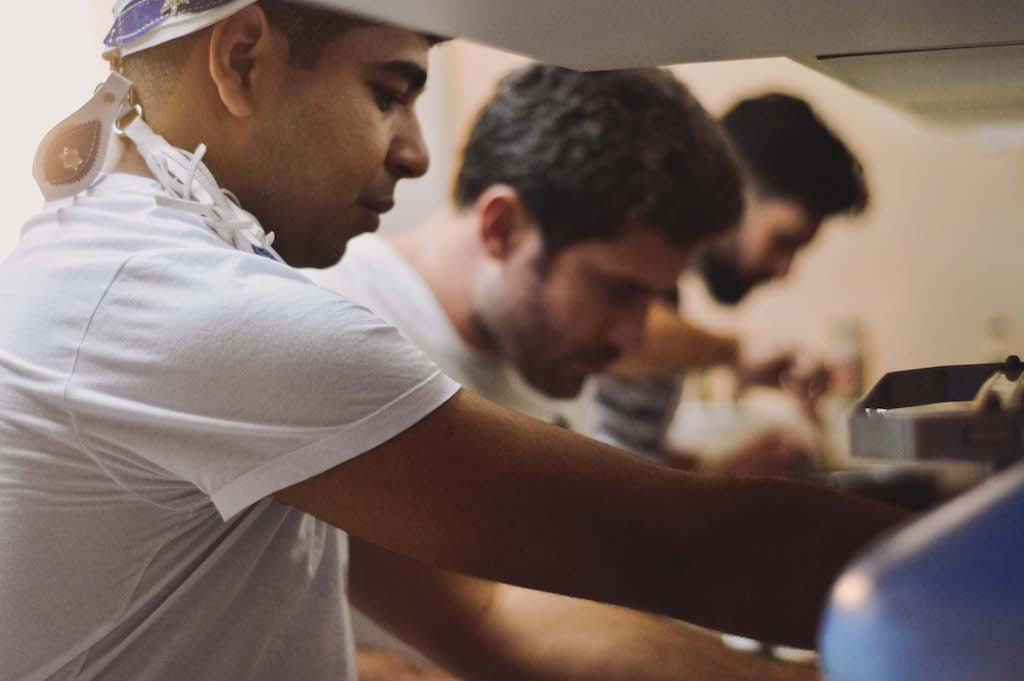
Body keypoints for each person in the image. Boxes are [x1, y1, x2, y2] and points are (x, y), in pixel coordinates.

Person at [0, 3, 902, 680]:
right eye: (388, 93)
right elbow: (684, 549)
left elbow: (482, 610)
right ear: (241, 60)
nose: (418, 153)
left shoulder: (114, 260)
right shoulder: (196, 309)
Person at [313, 64, 837, 680]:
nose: (632, 337)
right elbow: (487, 619)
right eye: (618, 291)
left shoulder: (539, 349)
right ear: (503, 228)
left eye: (652, 298)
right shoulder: (338, 329)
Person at [592, 92, 869, 466]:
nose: (784, 270)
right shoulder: (619, 235)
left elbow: (629, 457)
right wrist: (734, 353)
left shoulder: (666, 293)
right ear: (732, 188)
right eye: (782, 241)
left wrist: (723, 472)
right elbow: (613, 336)